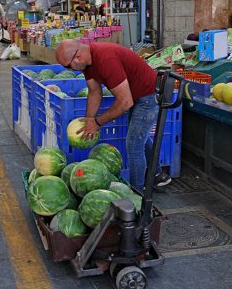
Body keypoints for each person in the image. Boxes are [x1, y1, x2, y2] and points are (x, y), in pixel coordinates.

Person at [55, 40, 172, 191]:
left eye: (68, 66)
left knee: (134, 145)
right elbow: (94, 91)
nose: (70, 70)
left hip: (148, 96)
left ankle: (137, 192)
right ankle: (158, 175)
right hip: (135, 94)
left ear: (77, 57)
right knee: (139, 137)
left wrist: (97, 123)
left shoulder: (105, 59)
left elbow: (125, 102)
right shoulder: (88, 63)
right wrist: (89, 120)